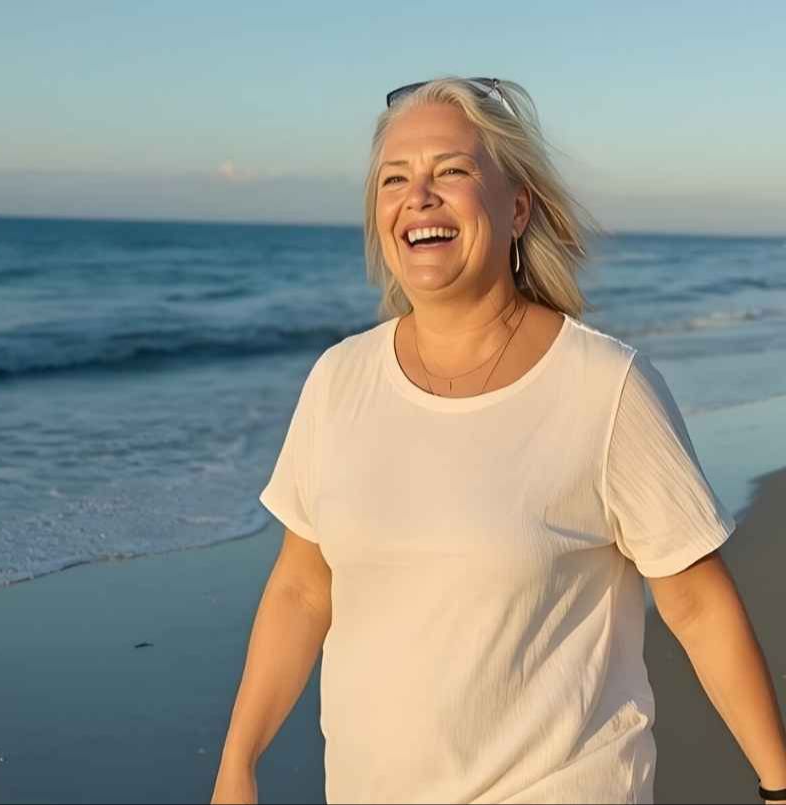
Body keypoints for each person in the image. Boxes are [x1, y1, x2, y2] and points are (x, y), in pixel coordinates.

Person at [210, 76, 786, 804]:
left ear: (517, 207)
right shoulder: (338, 381)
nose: (418, 196)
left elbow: (698, 605)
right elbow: (301, 587)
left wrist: (778, 787)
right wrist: (238, 763)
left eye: (450, 171)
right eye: (395, 178)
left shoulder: (603, 387)